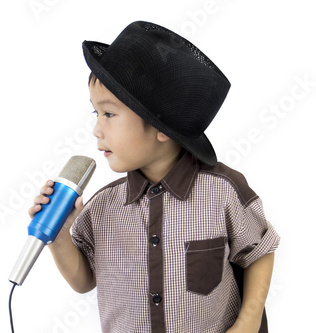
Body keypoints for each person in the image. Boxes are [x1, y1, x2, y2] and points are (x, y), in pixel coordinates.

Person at [28, 21, 280, 333]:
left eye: (109, 114)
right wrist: (60, 234)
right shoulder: (104, 205)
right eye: (96, 113)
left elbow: (259, 251)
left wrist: (249, 321)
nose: (96, 129)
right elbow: (84, 281)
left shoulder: (223, 192)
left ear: (161, 127)